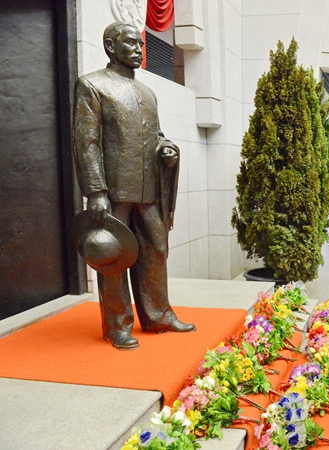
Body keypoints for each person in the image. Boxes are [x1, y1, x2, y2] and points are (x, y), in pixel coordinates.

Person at [73, 22, 195, 350]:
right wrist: (96, 191)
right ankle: (117, 326)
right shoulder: (92, 85)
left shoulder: (146, 92)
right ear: (110, 47)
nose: (139, 49)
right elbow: (87, 142)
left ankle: (158, 314)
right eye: (130, 43)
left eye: (140, 43)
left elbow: (154, 136)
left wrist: (165, 148)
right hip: (113, 190)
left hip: (150, 188)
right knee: (112, 257)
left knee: (157, 250)